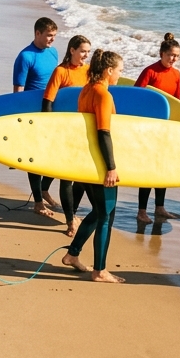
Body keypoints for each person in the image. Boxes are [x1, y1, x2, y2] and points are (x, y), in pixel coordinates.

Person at [60, 49, 125, 283]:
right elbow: (103, 132)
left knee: (98, 212)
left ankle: (72, 255)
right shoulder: (103, 94)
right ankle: (100, 270)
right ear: (109, 70)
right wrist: (111, 167)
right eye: (119, 70)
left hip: (87, 161)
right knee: (106, 215)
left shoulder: (86, 90)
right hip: (100, 164)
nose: (119, 75)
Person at [42, 34, 92, 237]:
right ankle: (71, 221)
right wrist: (48, 128)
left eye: (88, 52)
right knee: (66, 177)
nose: (85, 56)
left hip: (82, 129)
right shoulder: (61, 72)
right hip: (64, 129)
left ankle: (46, 191)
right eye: (82, 51)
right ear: (72, 50)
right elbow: (48, 101)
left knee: (73, 174)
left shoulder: (89, 72)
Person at [132, 33, 180, 223]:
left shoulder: (177, 74)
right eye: (171, 55)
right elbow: (136, 97)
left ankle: (160, 207)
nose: (174, 59)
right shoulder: (150, 72)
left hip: (166, 128)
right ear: (162, 53)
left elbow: (178, 102)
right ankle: (141, 211)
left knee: (162, 168)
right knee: (149, 169)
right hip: (149, 128)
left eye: (177, 56)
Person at [13, 17, 61, 220]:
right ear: (37, 33)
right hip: (33, 113)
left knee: (57, 155)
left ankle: (43, 189)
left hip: (52, 110)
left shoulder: (53, 52)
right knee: (34, 158)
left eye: (54, 36)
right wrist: (20, 120)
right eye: (49, 35)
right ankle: (38, 203)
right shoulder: (25, 57)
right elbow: (18, 91)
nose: (52, 39)